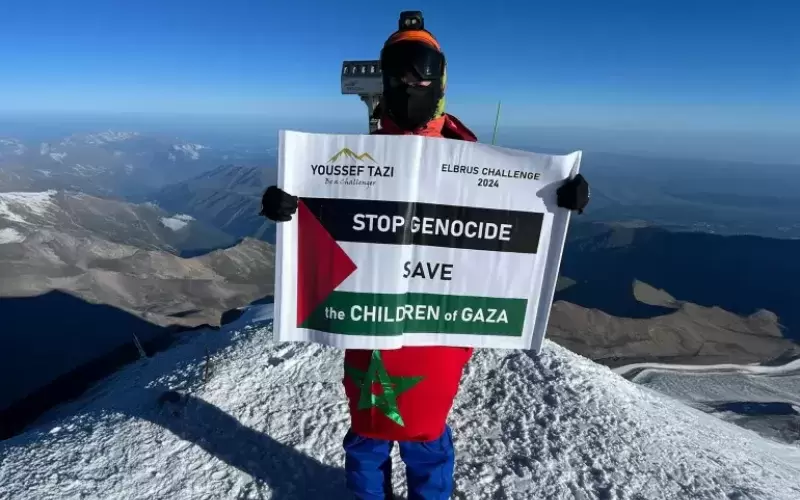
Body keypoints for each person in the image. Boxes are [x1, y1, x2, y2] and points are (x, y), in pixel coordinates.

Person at [259, 11, 590, 500]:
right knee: (371, 423)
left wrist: (561, 198)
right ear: (385, 79)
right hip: (372, 317)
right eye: (399, 74)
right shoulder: (353, 159)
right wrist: (287, 206)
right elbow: (330, 221)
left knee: (424, 426)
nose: (410, 85)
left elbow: (508, 220)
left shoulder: (471, 159)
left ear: (441, 80)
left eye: (422, 73)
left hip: (438, 323)